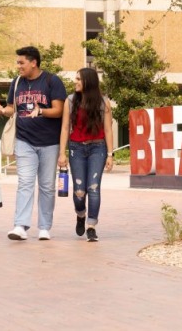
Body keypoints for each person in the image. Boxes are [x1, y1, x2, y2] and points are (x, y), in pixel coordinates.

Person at [0, 46, 67, 241]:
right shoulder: (17, 83)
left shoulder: (52, 81)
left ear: (34, 62)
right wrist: (1, 111)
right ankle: (20, 225)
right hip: (24, 140)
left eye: (21, 62)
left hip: (50, 142)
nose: (18, 66)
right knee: (25, 182)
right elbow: (11, 108)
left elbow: (59, 110)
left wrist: (41, 111)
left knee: (47, 185)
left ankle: (44, 227)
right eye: (18, 62)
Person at [58, 68, 114, 242]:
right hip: (77, 149)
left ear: (88, 82)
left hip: (98, 148)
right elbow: (65, 128)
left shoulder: (103, 103)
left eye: (78, 79)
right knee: (79, 191)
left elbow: (108, 129)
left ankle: (91, 225)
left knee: (94, 188)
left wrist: (110, 155)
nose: (75, 82)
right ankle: (81, 214)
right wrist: (62, 153)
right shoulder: (70, 101)